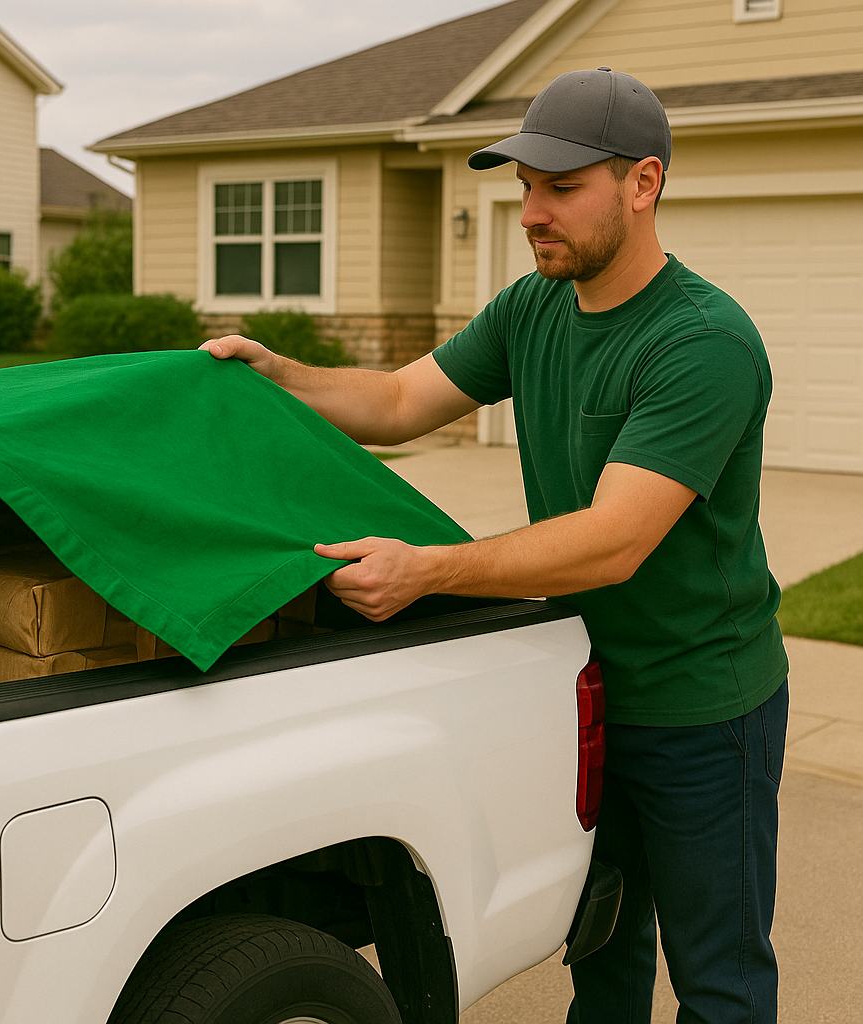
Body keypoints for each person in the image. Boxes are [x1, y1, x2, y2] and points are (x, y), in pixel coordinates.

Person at [201, 67, 788, 1024]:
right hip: (588, 691)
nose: (530, 212)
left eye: (561, 187)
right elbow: (397, 402)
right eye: (524, 186)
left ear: (644, 184)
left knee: (719, 983)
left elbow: (612, 543)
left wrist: (427, 569)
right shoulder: (533, 309)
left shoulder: (702, 343)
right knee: (601, 954)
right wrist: (279, 375)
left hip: (705, 712)